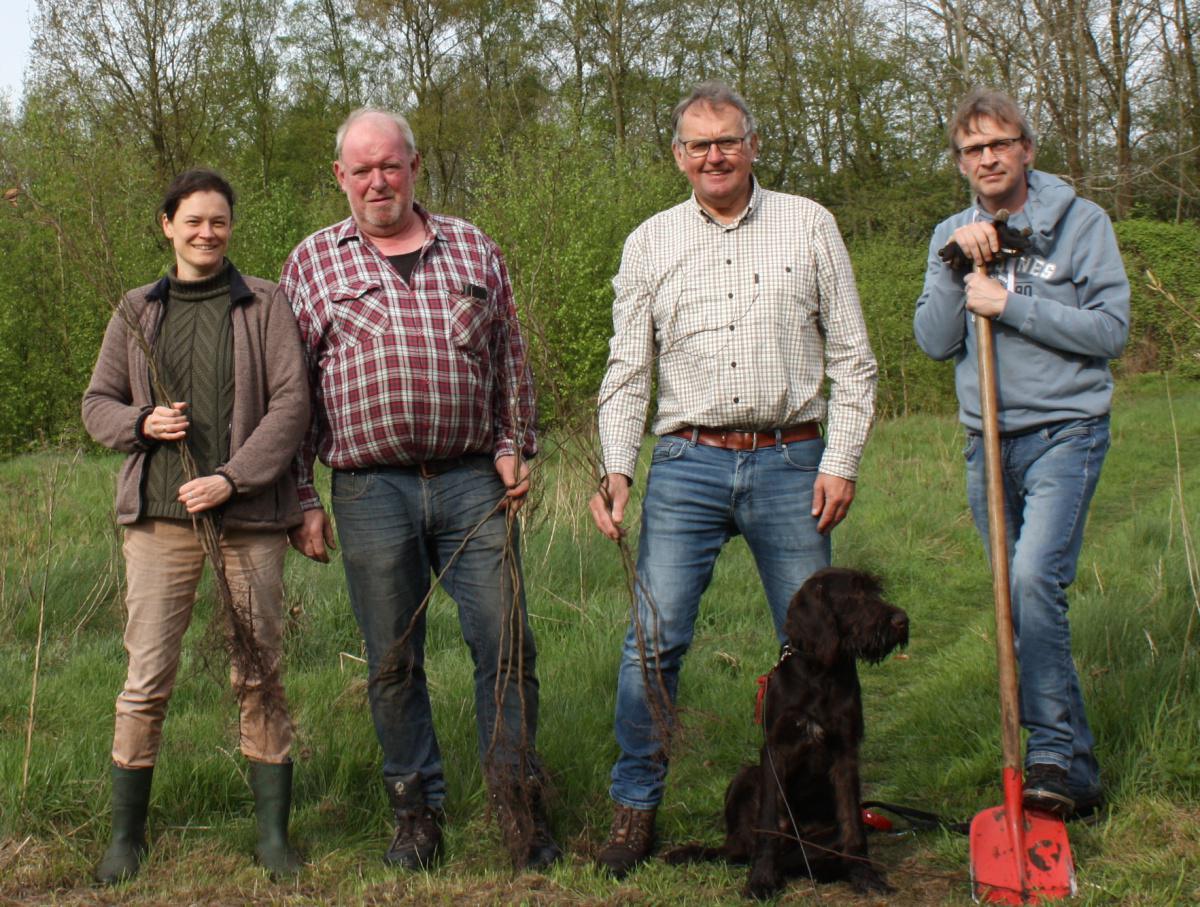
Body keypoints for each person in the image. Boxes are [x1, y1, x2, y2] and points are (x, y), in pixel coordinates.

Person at [588, 80, 878, 877]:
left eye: (727, 139)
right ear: (678, 155)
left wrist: (841, 459)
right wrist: (618, 468)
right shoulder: (649, 241)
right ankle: (634, 807)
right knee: (652, 643)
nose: (714, 154)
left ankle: (829, 813)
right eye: (697, 143)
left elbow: (854, 357)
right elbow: (626, 370)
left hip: (793, 460)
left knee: (819, 648)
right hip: (687, 462)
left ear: (753, 145)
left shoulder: (810, 223)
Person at [281, 108, 559, 871]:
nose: (378, 181)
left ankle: (517, 805)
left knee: (504, 644)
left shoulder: (472, 246)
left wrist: (513, 445)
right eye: (361, 169)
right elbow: (291, 392)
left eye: (390, 165)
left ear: (415, 166)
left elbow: (513, 358)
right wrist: (302, 496)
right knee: (392, 658)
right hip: (370, 491)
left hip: (474, 482)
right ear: (340, 177)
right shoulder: (310, 264)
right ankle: (416, 811)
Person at [82, 169, 310, 883]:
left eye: (219, 221)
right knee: (147, 676)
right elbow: (96, 404)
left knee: (259, 672)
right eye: (193, 220)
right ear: (167, 226)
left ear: (230, 228)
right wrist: (140, 422)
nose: (207, 232)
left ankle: (272, 837)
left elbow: (291, 407)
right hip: (159, 521)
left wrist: (232, 477)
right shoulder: (135, 310)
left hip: (247, 520)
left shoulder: (266, 303)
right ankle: (127, 838)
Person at [914, 89, 1129, 821]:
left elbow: (1110, 331)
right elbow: (933, 341)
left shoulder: (1080, 224)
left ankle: (1047, 755)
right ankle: (1080, 767)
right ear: (961, 162)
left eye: (1001, 143)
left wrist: (1012, 307)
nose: (989, 158)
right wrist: (956, 273)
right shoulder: (952, 232)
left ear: (1027, 149)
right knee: (1017, 601)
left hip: (1066, 431)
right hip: (987, 441)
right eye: (974, 149)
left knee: (1035, 581)